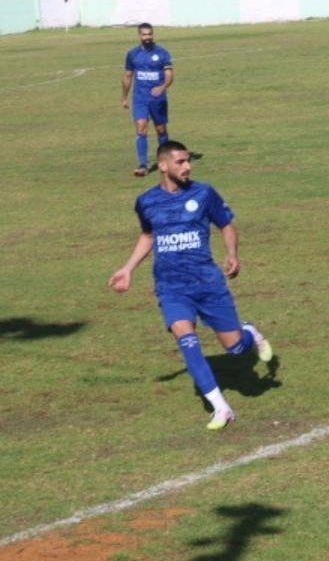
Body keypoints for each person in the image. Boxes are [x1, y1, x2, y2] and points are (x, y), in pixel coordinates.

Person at [108, 141, 272, 431]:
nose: (188, 166)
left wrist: (232, 253)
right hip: (171, 286)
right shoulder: (146, 201)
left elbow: (226, 224)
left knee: (235, 349)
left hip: (208, 283)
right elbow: (148, 235)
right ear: (163, 166)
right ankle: (221, 408)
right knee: (187, 341)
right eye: (181, 162)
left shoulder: (204, 193)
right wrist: (128, 268)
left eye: (188, 161)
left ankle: (248, 332)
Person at [122, 23, 173, 177]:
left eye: (149, 34)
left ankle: (165, 160)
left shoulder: (162, 53)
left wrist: (163, 86)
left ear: (153, 34)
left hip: (158, 99)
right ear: (139, 36)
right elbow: (128, 76)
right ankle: (143, 165)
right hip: (140, 98)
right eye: (144, 35)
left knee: (161, 130)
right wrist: (124, 97)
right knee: (141, 128)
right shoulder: (132, 54)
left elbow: (170, 75)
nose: (147, 37)